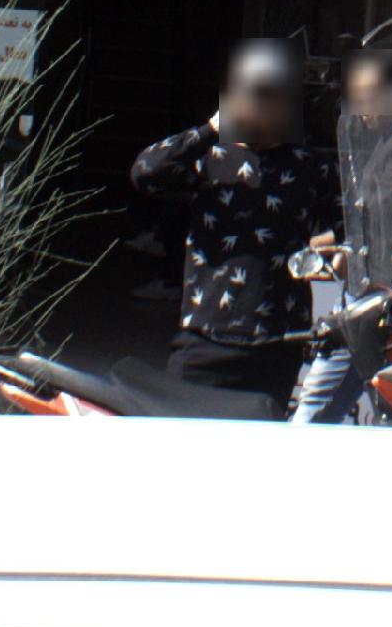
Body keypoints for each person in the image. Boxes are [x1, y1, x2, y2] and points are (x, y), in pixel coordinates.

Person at [131, 38, 335, 409]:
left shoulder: (309, 165)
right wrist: (211, 127)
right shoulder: (210, 158)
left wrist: (324, 248)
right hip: (206, 336)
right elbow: (146, 173)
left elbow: (348, 224)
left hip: (277, 339)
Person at [292, 45, 392, 425]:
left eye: (367, 97)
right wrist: (336, 240)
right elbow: (372, 213)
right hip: (374, 294)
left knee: (320, 407)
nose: (360, 110)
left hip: (387, 299)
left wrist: (346, 250)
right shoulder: (390, 139)